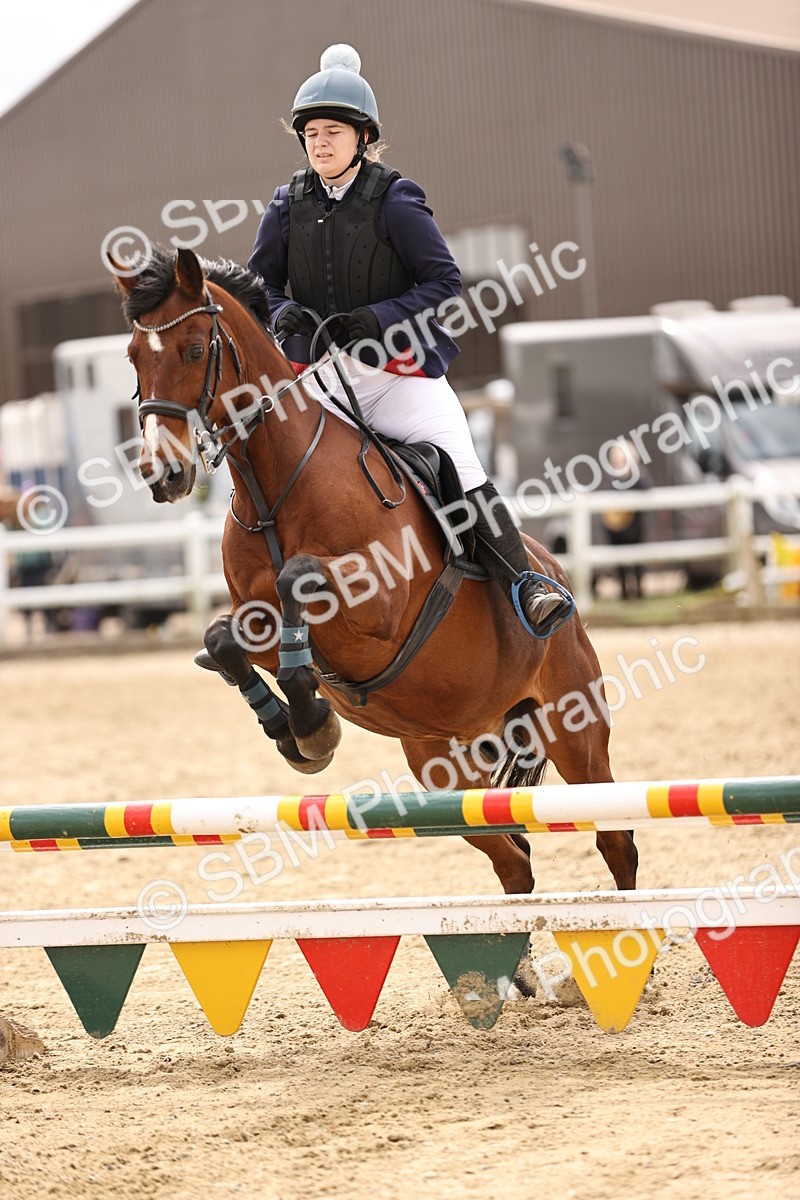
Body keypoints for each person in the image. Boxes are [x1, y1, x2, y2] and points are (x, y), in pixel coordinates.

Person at [248, 44, 573, 637]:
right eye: (311, 134)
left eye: (333, 132)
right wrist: (284, 311)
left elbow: (444, 281)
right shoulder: (286, 206)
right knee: (267, 462)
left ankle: (525, 584)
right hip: (321, 381)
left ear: (363, 136)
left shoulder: (396, 198)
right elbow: (258, 287)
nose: (320, 144)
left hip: (397, 376)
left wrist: (375, 319)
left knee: (461, 463)